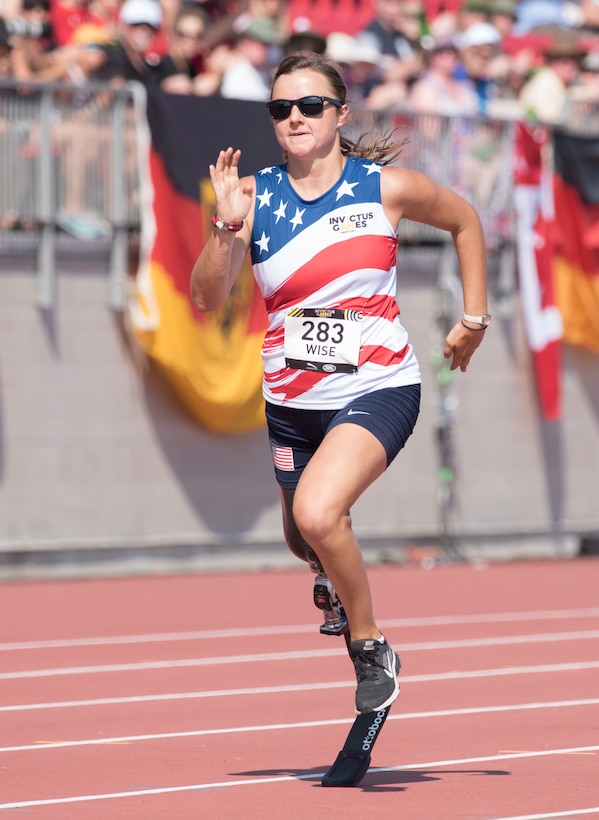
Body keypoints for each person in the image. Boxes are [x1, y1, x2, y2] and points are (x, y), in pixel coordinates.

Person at [190, 52, 489, 716]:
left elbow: (465, 220)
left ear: (339, 114)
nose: (294, 118)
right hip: (290, 401)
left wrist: (473, 318)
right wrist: (224, 226)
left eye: (309, 106)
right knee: (303, 537)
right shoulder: (254, 196)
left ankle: (369, 644)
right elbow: (207, 298)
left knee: (318, 515)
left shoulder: (386, 188)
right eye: (280, 109)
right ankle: (325, 568)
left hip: (377, 385)